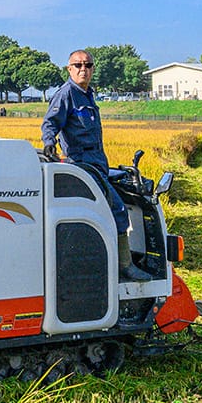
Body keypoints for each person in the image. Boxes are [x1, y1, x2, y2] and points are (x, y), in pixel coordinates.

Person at [41, 50, 155, 281]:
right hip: (82, 166)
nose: (83, 69)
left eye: (87, 65)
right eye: (78, 65)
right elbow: (50, 123)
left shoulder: (88, 95)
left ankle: (107, 262)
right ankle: (124, 266)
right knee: (117, 211)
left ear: (93, 69)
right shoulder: (66, 95)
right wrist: (49, 143)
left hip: (98, 163)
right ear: (69, 69)